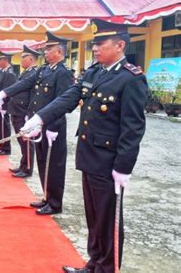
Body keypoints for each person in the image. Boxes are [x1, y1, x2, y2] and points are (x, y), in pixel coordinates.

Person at [22, 19, 148, 273]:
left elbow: (133, 128)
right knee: (94, 215)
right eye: (95, 44)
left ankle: (107, 268)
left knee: (107, 217)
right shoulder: (94, 72)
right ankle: (94, 263)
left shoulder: (131, 79)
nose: (96, 49)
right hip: (89, 154)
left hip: (109, 161)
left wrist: (124, 167)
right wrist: (40, 118)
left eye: (101, 44)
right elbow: (69, 97)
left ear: (120, 45)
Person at [0, 31, 74, 215]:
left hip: (52, 127)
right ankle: (46, 196)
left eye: (49, 49)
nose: (45, 52)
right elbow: (26, 84)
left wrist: (53, 126)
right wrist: (4, 94)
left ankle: (54, 203)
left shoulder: (63, 73)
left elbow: (63, 103)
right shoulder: (44, 70)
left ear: (59, 52)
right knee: (43, 162)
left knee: (54, 166)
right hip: (38, 124)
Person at [7, 45, 40, 178]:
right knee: (21, 141)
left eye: (23, 58)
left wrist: (29, 114)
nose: (20, 60)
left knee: (26, 142)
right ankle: (23, 164)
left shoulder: (33, 73)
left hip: (23, 111)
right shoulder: (26, 72)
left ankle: (27, 169)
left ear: (31, 59)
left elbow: (33, 95)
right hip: (17, 110)